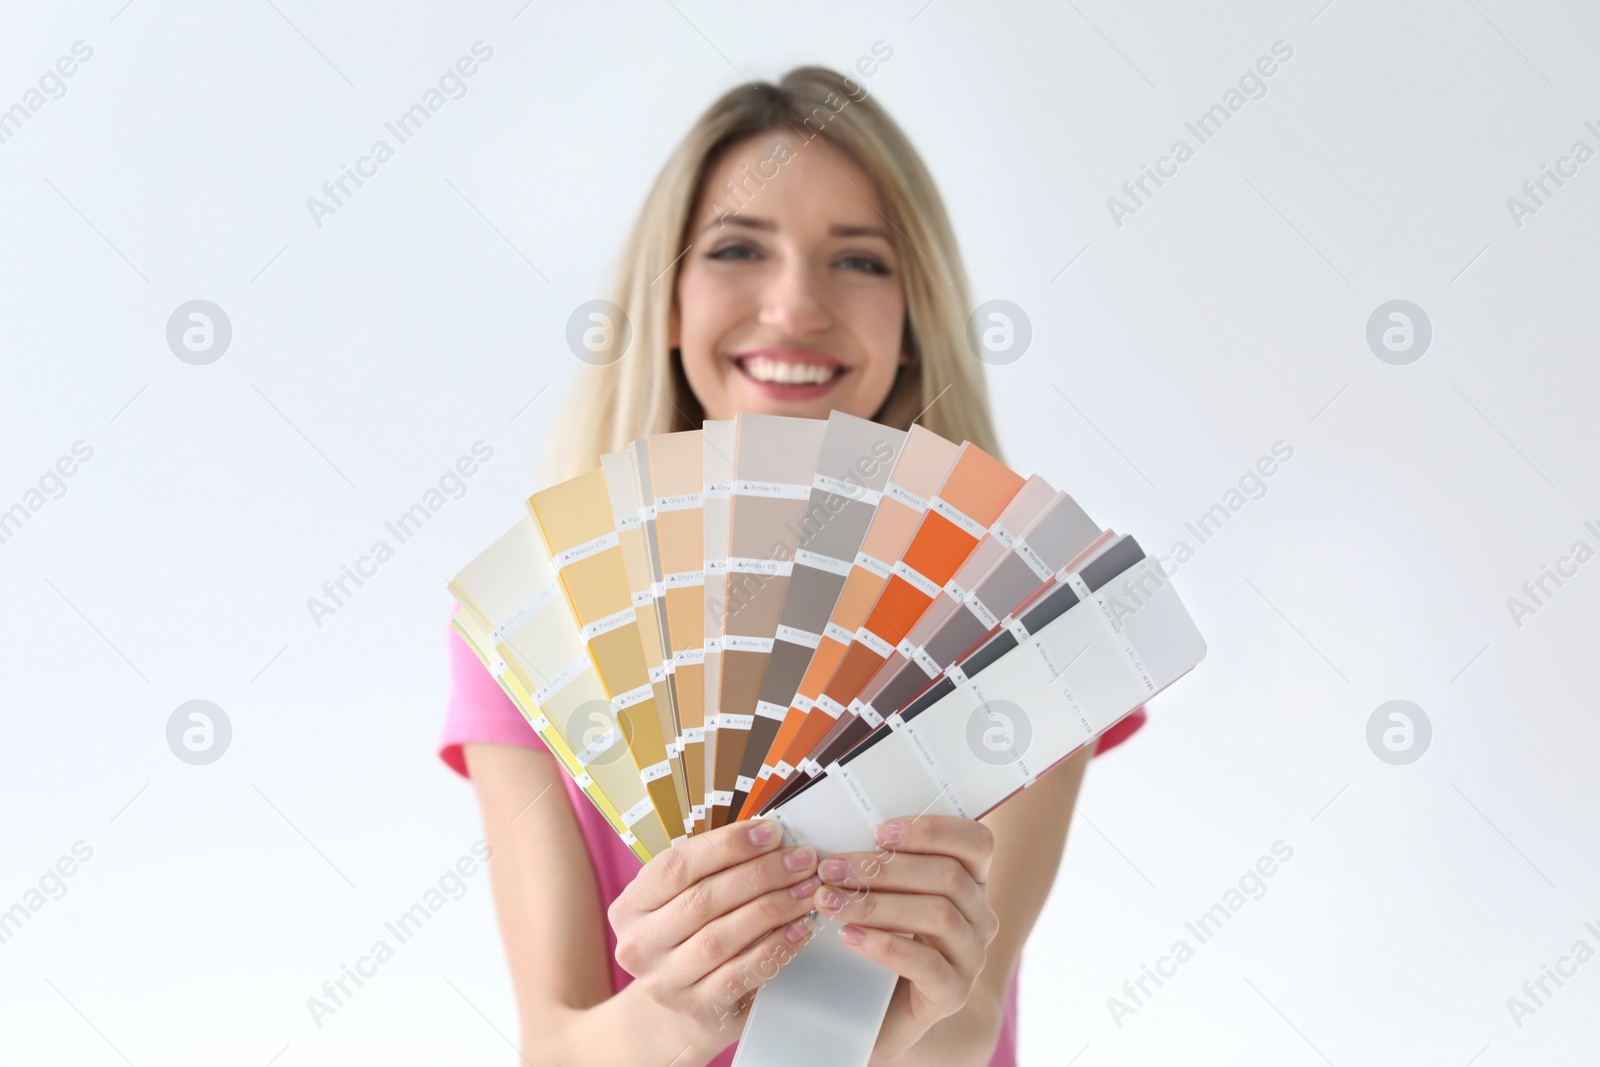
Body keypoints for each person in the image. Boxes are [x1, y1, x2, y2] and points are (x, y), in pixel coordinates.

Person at [439, 65, 1146, 1066]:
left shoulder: (1023, 606)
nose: (793, 304)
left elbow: (968, 1024)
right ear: (669, 304)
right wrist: (680, 1014)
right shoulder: (537, 622)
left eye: (858, 261)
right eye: (736, 249)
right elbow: (555, 1045)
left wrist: (903, 1029)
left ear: (913, 317)